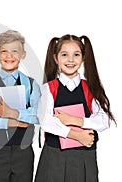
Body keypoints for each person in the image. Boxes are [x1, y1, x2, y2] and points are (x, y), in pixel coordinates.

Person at [35, 34, 116, 182]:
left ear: (83, 58)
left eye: (76, 54)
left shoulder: (90, 88)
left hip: (84, 158)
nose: (70, 60)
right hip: (55, 158)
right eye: (64, 54)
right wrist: (77, 135)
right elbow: (46, 121)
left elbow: (104, 121)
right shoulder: (49, 88)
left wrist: (73, 120)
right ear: (55, 58)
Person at [0, 30, 41, 182]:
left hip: (23, 151)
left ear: (23, 54)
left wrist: (12, 112)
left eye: (15, 51)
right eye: (4, 51)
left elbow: (38, 114)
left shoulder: (31, 85)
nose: (9, 56)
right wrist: (14, 122)